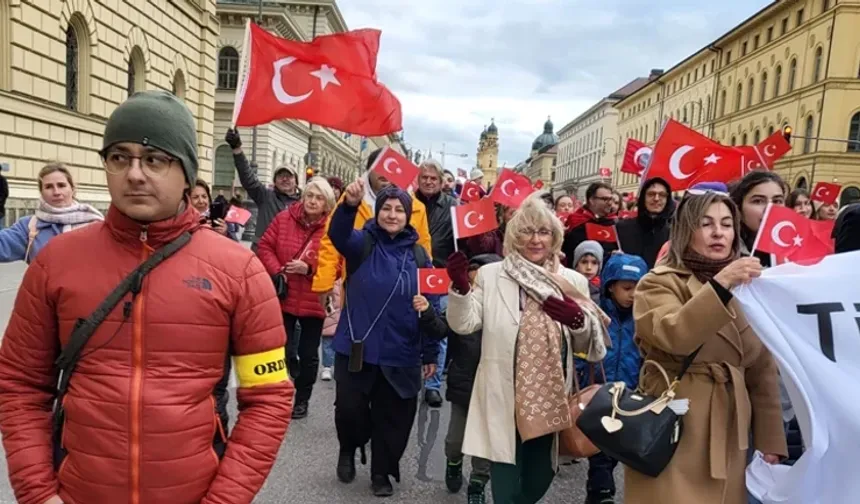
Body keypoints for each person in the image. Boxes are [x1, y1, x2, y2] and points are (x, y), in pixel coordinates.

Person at [0, 90, 293, 504]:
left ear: (187, 173)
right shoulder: (56, 262)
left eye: (154, 159)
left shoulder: (239, 270)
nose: (135, 174)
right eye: (120, 157)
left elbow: (268, 396)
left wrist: (225, 499)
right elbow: (20, 384)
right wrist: (38, 493)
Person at [628, 187, 787, 504]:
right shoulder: (659, 282)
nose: (718, 233)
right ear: (686, 230)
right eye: (706, 223)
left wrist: (770, 438)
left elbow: (761, 369)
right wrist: (721, 284)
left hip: (731, 427)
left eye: (727, 224)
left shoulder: (751, 288)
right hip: (675, 422)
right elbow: (674, 335)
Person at [446, 194, 606, 504]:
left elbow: (593, 347)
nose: (535, 239)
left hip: (550, 396)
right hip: (503, 396)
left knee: (538, 479)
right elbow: (464, 324)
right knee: (505, 484)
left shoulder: (572, 280)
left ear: (554, 236)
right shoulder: (492, 275)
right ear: (514, 236)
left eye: (543, 231)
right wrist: (461, 289)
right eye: (527, 231)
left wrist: (577, 321)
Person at [328, 180, 447, 497]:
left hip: (401, 350)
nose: (392, 215)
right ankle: (348, 447)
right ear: (377, 212)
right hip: (358, 347)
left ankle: (381, 471)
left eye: (399, 210)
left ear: (408, 216)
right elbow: (338, 235)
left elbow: (432, 307)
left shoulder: (420, 257)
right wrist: (349, 206)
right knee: (350, 411)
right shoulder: (361, 243)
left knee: (394, 418)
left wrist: (430, 354)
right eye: (386, 208)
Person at [312, 148, 432, 318]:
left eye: (391, 167)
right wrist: (324, 282)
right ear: (369, 169)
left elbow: (424, 252)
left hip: (401, 296)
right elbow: (331, 241)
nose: (385, 173)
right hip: (358, 291)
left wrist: (427, 299)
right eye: (379, 166)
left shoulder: (417, 207)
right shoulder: (352, 199)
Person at [256, 177, 336, 420]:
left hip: (314, 298)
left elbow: (338, 264)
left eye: (319, 198)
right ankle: (281, 393)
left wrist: (309, 269)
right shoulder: (284, 218)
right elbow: (264, 246)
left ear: (327, 203)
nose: (313, 201)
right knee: (283, 348)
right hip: (286, 294)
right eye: (310, 195)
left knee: (309, 353)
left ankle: (302, 400)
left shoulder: (332, 227)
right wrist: (279, 271)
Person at [583, 253, 647, 504]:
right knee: (599, 449)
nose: (633, 295)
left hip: (629, 393)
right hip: (598, 392)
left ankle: (596, 492)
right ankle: (603, 492)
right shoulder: (596, 314)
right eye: (627, 288)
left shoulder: (643, 318)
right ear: (611, 287)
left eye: (639, 288)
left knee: (615, 449)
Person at [444, 253, 502, 504]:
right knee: (454, 441)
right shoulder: (463, 309)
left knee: (484, 445)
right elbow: (441, 328)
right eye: (472, 279)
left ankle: (478, 484)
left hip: (493, 389)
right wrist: (426, 313)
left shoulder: (504, 312)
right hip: (464, 386)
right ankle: (453, 463)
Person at [415, 158, 459, 407]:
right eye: (425, 177)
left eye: (433, 178)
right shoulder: (407, 202)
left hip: (440, 274)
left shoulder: (454, 207)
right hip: (411, 270)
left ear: (442, 182)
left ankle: (432, 386)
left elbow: (463, 242)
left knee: (438, 330)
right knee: (411, 326)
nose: (429, 182)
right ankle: (411, 376)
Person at [0, 163, 103, 263]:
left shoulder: (93, 223)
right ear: (41, 192)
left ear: (72, 188)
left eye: (61, 185)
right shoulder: (29, 226)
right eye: (49, 187)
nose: (56, 192)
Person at [224, 128, 302, 250]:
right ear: (274, 181)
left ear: (296, 182)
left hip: (289, 256)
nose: (284, 179)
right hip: (262, 253)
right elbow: (248, 178)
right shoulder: (266, 196)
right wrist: (237, 149)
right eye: (281, 176)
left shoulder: (303, 204)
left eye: (289, 176)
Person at [728, 172, 787, 268]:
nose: (769, 208)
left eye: (777, 201)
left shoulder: (794, 247)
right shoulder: (723, 251)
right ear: (739, 208)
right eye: (758, 201)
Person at [616, 177, 675, 269]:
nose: (656, 198)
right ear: (643, 197)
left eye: (662, 195)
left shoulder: (674, 234)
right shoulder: (621, 228)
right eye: (651, 194)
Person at [562, 182, 618, 267]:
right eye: (605, 199)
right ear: (592, 200)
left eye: (611, 199)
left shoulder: (614, 223)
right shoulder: (577, 221)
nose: (610, 203)